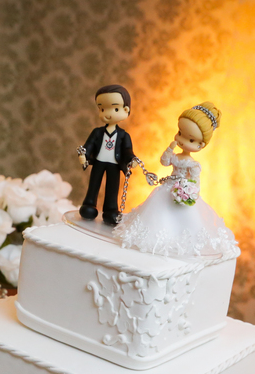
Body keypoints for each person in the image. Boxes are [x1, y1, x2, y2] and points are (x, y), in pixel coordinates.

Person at [114, 102, 238, 258]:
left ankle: (179, 241)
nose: (182, 140)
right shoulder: (175, 156)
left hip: (182, 191)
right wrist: (170, 149)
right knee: (159, 212)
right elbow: (164, 162)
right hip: (167, 188)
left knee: (184, 217)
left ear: (201, 145)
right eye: (180, 133)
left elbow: (195, 182)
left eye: (190, 140)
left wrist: (189, 192)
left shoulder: (193, 164)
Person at [78, 84, 136, 226]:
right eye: (102, 109)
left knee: (112, 188)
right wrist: (83, 155)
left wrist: (132, 159)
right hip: (98, 162)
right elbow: (88, 145)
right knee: (93, 184)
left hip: (114, 166)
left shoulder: (123, 135)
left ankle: (110, 210)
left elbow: (127, 150)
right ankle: (89, 204)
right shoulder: (97, 132)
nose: (107, 113)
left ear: (125, 110)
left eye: (115, 109)